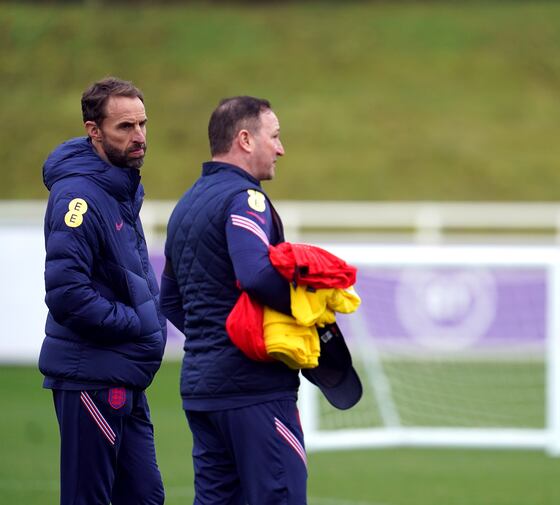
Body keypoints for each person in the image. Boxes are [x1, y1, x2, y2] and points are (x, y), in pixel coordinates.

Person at [161, 96, 360, 504]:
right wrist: (307, 313)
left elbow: (169, 301)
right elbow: (254, 273)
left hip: (202, 392)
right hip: (253, 392)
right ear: (246, 139)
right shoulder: (244, 199)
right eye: (276, 136)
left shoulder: (186, 205)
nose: (281, 148)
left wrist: (219, 335)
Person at [39, 77, 167, 504]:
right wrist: (137, 323)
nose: (139, 137)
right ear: (94, 130)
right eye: (125, 127)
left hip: (124, 375)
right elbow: (66, 293)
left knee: (146, 498)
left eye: (143, 124)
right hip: (90, 377)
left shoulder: (121, 188)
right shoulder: (79, 197)